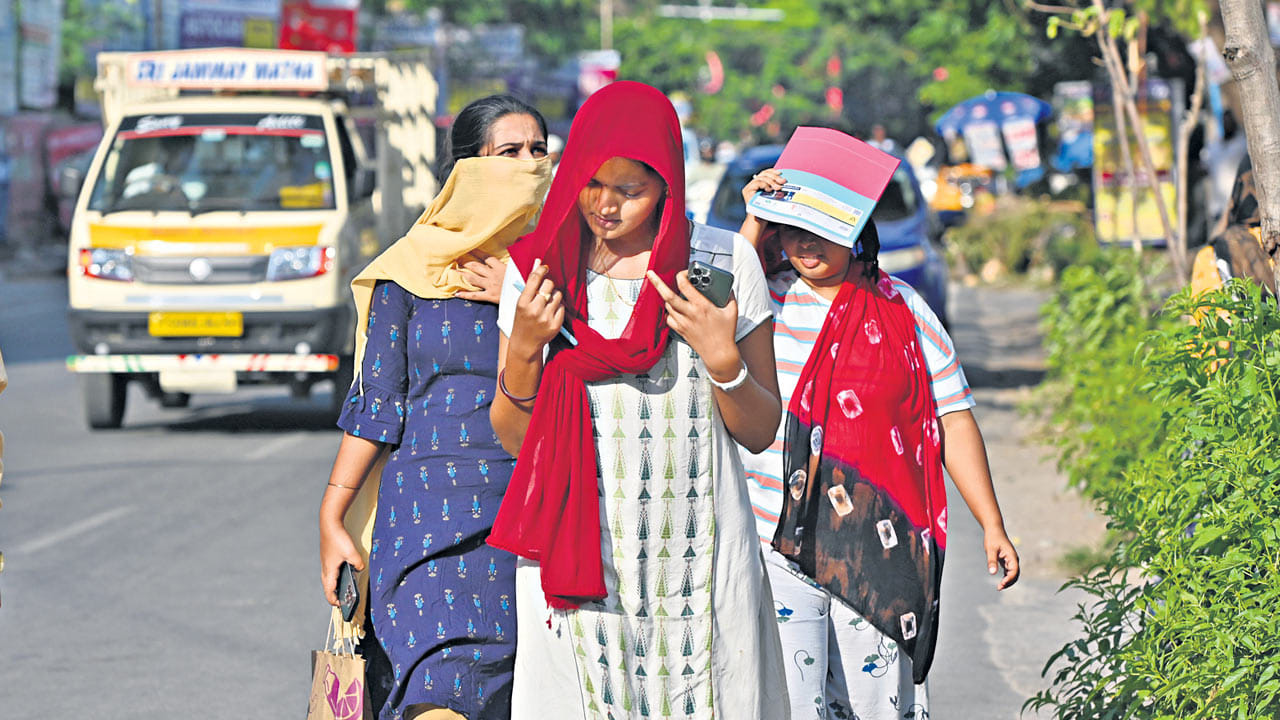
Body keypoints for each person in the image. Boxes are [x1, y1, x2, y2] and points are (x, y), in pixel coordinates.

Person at [488, 81, 790, 719]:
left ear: (668, 184)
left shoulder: (720, 261)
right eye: (594, 183)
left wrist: (723, 358)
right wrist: (523, 348)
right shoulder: (541, 269)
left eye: (631, 191)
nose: (606, 205)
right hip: (583, 553)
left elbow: (763, 430)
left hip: (698, 555)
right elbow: (516, 439)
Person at [739, 162, 1020, 720]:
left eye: (823, 228)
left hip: (878, 546)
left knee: (877, 706)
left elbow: (953, 418)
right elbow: (717, 310)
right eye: (792, 227)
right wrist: (752, 219)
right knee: (791, 705)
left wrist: (992, 524)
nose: (806, 243)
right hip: (774, 540)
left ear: (856, 226)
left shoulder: (903, 309)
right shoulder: (765, 301)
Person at [318, 94, 552, 720]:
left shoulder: (564, 269)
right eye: (510, 153)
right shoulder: (409, 268)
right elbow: (376, 405)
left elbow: (598, 375)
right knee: (437, 691)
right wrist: (332, 515)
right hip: (423, 522)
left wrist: (521, 297)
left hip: (528, 520)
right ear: (467, 167)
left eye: (539, 152)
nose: (530, 166)